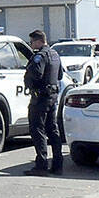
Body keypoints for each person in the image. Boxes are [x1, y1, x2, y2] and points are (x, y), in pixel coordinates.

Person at [24, 29, 64, 174]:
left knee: (37, 129)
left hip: (40, 97)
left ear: (38, 41)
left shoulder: (40, 56)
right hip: (53, 96)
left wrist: (29, 80)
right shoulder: (55, 54)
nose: (31, 44)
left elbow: (36, 75)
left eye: (32, 42)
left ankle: (41, 164)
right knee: (52, 129)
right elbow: (59, 75)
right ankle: (58, 164)